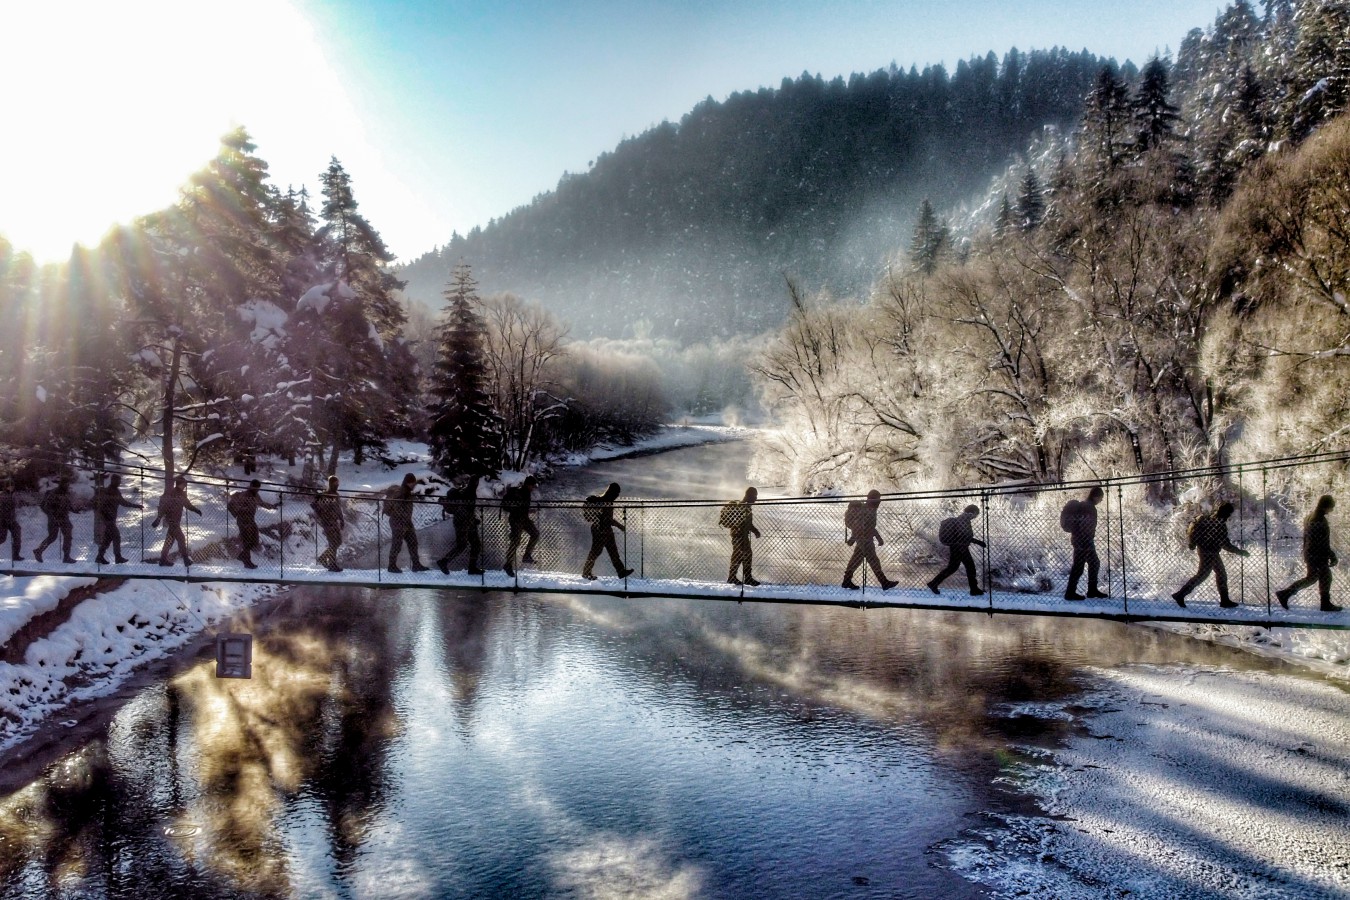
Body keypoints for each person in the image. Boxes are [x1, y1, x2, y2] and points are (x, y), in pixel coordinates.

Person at [1172, 501, 1249, 609]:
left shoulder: (1206, 519)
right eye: (1228, 514)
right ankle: (1180, 595)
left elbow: (1193, 531)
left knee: (1220, 574)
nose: (1228, 517)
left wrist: (1193, 543)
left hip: (1207, 551)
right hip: (1209, 553)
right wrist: (1240, 552)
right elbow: (1225, 544)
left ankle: (1224, 600)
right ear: (1225, 513)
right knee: (1203, 575)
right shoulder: (1219, 524)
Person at [1275, 495, 1342, 613]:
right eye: (1331, 507)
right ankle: (1324, 604)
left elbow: (1310, 539)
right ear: (1326, 506)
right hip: (1317, 555)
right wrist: (1331, 555)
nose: (1332, 510)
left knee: (1314, 577)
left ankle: (1286, 594)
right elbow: (1321, 541)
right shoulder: (1319, 519)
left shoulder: (1309, 517)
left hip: (1310, 553)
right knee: (1323, 577)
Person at [842, 489, 897, 590]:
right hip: (865, 540)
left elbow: (869, 526)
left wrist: (854, 538)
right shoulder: (867, 510)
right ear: (873, 499)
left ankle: (846, 580)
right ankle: (884, 582)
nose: (879, 501)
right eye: (878, 499)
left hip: (864, 539)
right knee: (873, 560)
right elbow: (860, 527)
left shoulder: (870, 509)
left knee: (856, 559)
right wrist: (854, 538)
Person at [1061, 486, 1108, 601]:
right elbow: (1086, 526)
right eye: (1101, 498)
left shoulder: (1085, 505)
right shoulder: (1089, 508)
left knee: (1094, 563)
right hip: (1083, 541)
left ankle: (1092, 590)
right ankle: (1070, 593)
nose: (1101, 500)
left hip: (1080, 540)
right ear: (1096, 496)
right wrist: (1086, 541)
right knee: (1079, 567)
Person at [928, 504, 985, 596]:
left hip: (956, 546)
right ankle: (974, 589)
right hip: (960, 547)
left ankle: (934, 583)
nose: (976, 516)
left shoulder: (962, 518)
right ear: (973, 512)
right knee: (970, 567)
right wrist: (978, 542)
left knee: (953, 568)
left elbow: (963, 535)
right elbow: (964, 536)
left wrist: (976, 542)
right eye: (976, 514)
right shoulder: (964, 520)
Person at [582, 482, 632, 580]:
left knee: (612, 552)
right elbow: (608, 519)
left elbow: (608, 519)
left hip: (605, 529)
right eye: (617, 493)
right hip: (600, 529)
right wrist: (620, 526)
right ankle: (586, 572)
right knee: (596, 552)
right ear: (612, 492)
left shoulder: (605, 501)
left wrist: (619, 526)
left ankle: (621, 571)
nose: (617, 495)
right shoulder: (605, 501)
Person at [437, 474, 484, 576]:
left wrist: (473, 520)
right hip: (463, 523)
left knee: (475, 544)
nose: (477, 484)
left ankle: (472, 568)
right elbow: (465, 509)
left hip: (466, 522)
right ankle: (444, 561)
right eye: (477, 482)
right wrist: (472, 520)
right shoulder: (469, 492)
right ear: (476, 483)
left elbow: (468, 509)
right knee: (462, 545)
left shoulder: (467, 491)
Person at [228, 479, 278, 570]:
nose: (257, 490)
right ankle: (247, 562)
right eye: (255, 488)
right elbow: (232, 505)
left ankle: (242, 555)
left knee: (255, 540)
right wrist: (240, 511)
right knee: (247, 541)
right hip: (243, 521)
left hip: (251, 520)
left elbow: (261, 503)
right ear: (251, 486)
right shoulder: (244, 495)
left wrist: (273, 506)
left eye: (258, 488)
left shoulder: (255, 495)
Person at [93, 474, 143, 564]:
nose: (119, 483)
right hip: (108, 520)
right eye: (117, 481)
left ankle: (99, 557)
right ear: (113, 481)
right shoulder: (107, 491)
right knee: (116, 537)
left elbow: (123, 502)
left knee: (107, 539)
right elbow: (101, 506)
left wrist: (136, 506)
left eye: (119, 481)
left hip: (111, 519)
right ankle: (118, 557)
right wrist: (104, 516)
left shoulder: (116, 491)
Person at [385, 472, 429, 573]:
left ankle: (416, 564)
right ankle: (391, 566)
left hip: (406, 522)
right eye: (413, 483)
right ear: (408, 483)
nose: (414, 485)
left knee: (413, 542)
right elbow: (397, 508)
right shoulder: (401, 493)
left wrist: (406, 519)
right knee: (397, 544)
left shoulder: (407, 492)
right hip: (398, 522)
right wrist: (403, 518)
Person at [153, 475, 200, 567]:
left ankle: (163, 559)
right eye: (184, 484)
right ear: (180, 484)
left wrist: (196, 510)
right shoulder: (172, 494)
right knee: (181, 538)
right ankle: (186, 559)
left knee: (169, 540)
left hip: (176, 521)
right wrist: (158, 519)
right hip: (172, 521)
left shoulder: (182, 494)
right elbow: (164, 507)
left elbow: (188, 505)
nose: (185, 485)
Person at [721, 486, 761, 586]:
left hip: (742, 536)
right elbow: (742, 523)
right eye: (754, 496)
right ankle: (736, 578)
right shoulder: (742, 506)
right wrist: (753, 530)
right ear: (749, 495)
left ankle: (742, 577)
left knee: (744, 555)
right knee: (739, 556)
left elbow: (748, 524)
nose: (756, 499)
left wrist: (755, 531)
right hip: (738, 536)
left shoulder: (747, 507)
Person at [501, 475, 537, 577]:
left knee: (535, 534)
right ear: (528, 484)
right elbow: (518, 508)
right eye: (532, 486)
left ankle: (527, 555)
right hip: (516, 519)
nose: (533, 488)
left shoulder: (526, 492)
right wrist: (525, 511)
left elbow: (523, 508)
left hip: (524, 519)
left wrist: (530, 511)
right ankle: (508, 564)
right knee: (515, 542)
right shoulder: (520, 492)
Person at [34, 477, 75, 564]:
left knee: (68, 536)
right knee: (52, 537)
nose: (68, 485)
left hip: (64, 517)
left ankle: (66, 556)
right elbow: (46, 507)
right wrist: (53, 516)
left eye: (68, 484)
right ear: (62, 484)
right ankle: (39, 550)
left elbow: (67, 504)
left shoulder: (66, 493)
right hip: (54, 518)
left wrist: (75, 509)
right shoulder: (54, 493)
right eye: (66, 484)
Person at [312, 475, 346, 572]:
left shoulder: (336, 495)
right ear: (331, 484)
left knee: (338, 542)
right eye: (335, 483)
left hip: (334, 521)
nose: (337, 485)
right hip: (327, 522)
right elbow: (315, 505)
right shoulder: (325, 495)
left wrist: (341, 520)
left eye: (338, 483)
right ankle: (332, 564)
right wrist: (322, 515)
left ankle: (323, 558)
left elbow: (338, 509)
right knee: (333, 542)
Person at [0, 480, 22, 562]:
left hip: (12, 520)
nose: (11, 487)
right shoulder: (3, 496)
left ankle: (15, 555)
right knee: (2, 538)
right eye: (9, 486)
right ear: (6, 487)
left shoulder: (13, 495)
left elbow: (16, 505)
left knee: (17, 535)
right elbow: (3, 508)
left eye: (12, 486)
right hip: (3, 520)